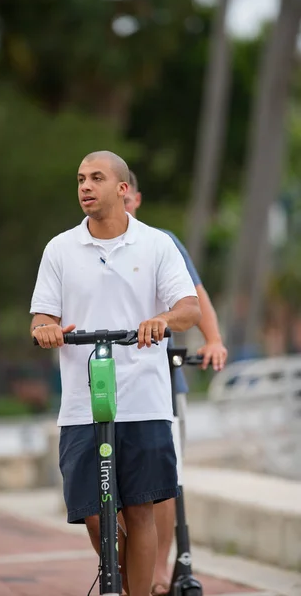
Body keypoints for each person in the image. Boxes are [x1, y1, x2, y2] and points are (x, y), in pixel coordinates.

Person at [30, 150, 201, 596]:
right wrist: (47, 331)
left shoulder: (156, 244)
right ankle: (125, 585)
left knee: (141, 510)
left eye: (97, 178)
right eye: (81, 178)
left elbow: (189, 308)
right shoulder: (60, 248)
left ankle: (134, 592)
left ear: (122, 189)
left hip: (143, 397)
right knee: (92, 511)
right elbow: (40, 319)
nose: (85, 186)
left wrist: (161, 320)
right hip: (82, 404)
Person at [124, 170, 228, 596]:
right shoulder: (84, 246)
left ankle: (160, 571)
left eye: (128, 198)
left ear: (134, 198)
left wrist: (214, 340)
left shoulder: (160, 241)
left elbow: (195, 297)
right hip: (111, 380)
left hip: (159, 377)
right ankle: (127, 572)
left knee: (161, 483)